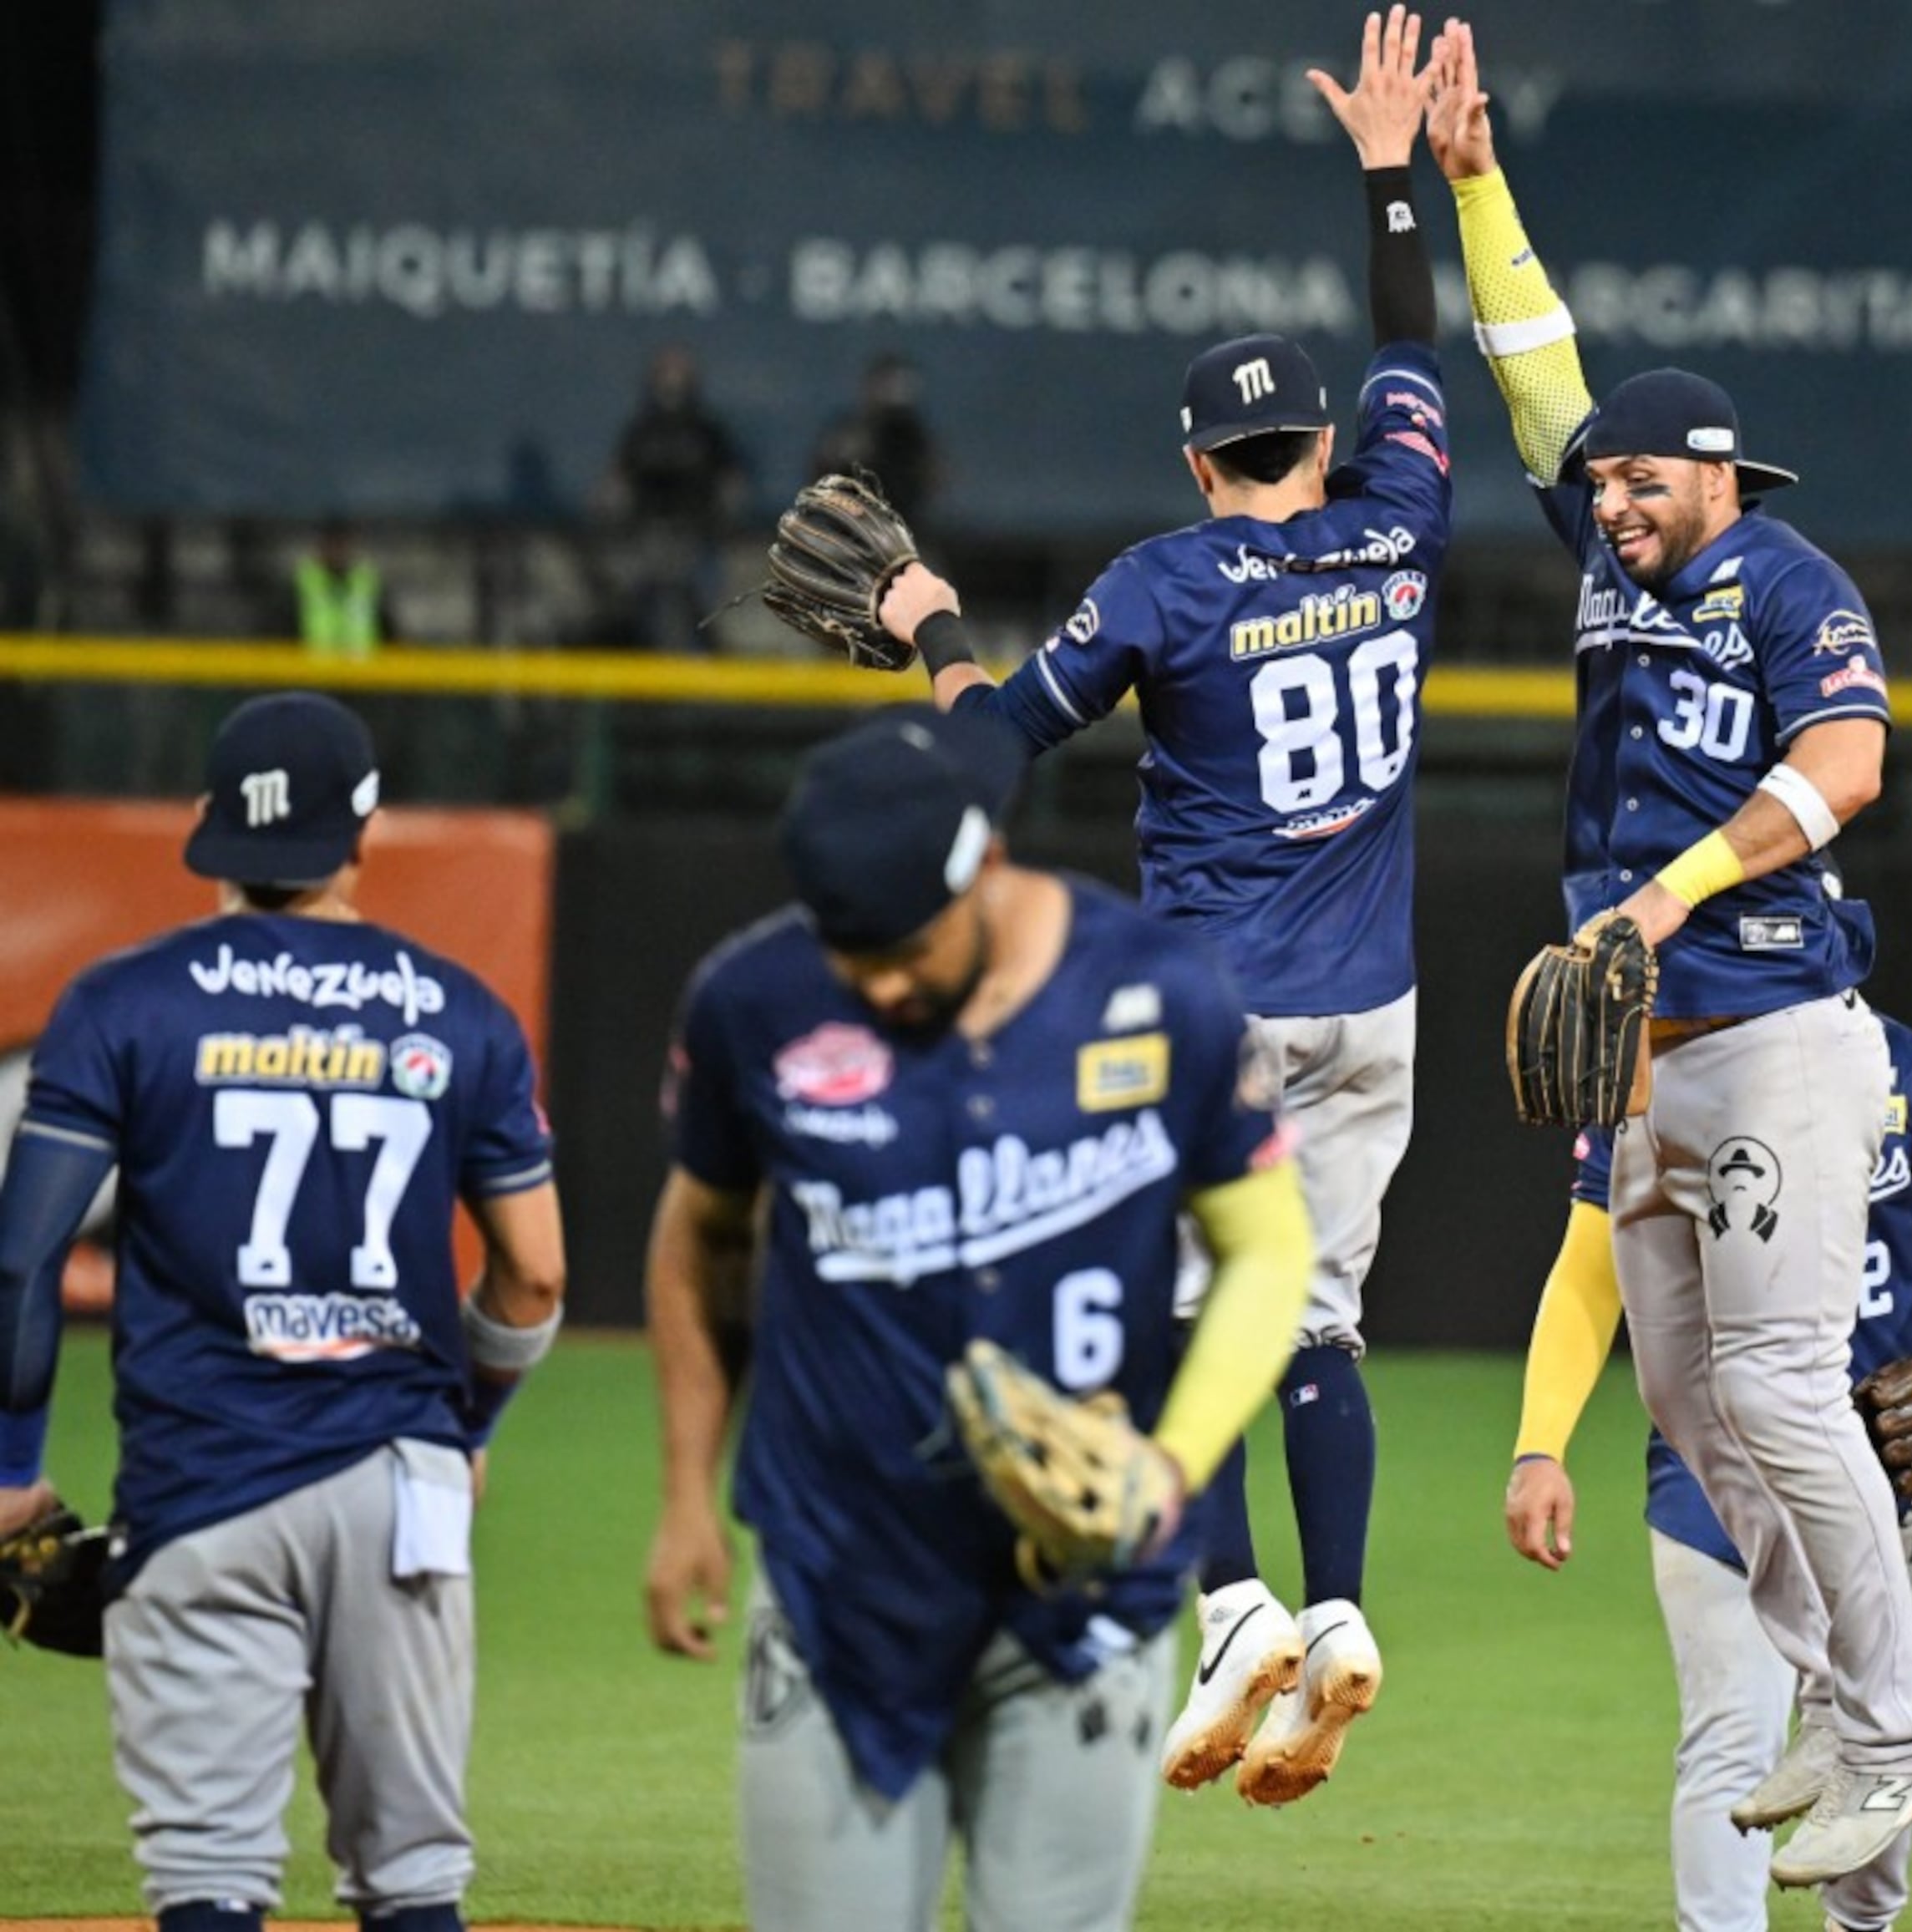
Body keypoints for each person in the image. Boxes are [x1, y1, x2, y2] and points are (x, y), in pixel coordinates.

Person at [873, 5, 1452, 1807]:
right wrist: (1386, 177)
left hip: (1216, 1008)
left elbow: (995, 764)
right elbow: (1411, 342)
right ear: (1318, 444)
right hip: (1376, 1010)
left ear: (1203, 461)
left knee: (1135, 1308)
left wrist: (927, 636)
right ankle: (1337, 1610)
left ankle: (1227, 1607)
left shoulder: (1164, 578)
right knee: (1315, 1322)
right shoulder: (1402, 522)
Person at [1423, 18, 1912, 1884]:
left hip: (1768, 1030)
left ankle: (1902, 1724)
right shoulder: (1604, 555)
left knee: (1781, 1382)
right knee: (1683, 1398)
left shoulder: (1790, 587)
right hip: (1649, 1059)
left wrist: (1658, 899)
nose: (1606, 496)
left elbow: (1846, 763)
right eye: (1597, 483)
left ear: (1714, 474)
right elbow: (1530, 370)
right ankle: (1834, 1699)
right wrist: (1472, 182)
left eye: (1636, 479)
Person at [641, 706, 1313, 1932]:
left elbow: (1265, 1247)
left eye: (905, 947)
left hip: (1084, 1586)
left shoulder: (1159, 992)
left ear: (985, 867)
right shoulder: (757, 1000)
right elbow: (701, 1240)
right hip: (841, 1577)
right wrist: (689, 1489)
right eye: (852, 954)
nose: (879, 980)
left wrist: (1172, 1471)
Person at [0, 692, 565, 1932]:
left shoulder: (122, 1004)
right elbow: (533, 1275)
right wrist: (463, 1435)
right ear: (363, 831)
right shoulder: (463, 1013)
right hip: (401, 1489)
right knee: (413, 1879)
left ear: (211, 828)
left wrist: (10, 1471)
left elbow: (22, 1260)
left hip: (200, 1483)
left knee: (209, 1877)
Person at [1505, 1011, 1912, 1932]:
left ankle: (1861, 1924)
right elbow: (1589, 1269)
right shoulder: (1656, 1079)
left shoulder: (1903, 1071)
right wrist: (1539, 1443)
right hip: (1710, 1471)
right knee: (1729, 1745)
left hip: (1874, 1468)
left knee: (1881, 1755)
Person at [595, 343, 750, 650]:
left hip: (696, 539)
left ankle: (702, 675)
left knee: (702, 614)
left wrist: (722, 521)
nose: (672, 382)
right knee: (638, 611)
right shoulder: (642, 431)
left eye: (679, 373)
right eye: (666, 373)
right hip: (647, 538)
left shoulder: (707, 431)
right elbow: (615, 485)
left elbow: (733, 485)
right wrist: (613, 511)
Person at [809, 352, 943, 531]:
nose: (893, 393)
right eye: (887, 385)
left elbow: (934, 479)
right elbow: (822, 471)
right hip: (853, 527)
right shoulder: (853, 428)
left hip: (906, 528)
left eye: (900, 386)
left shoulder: (915, 437)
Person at [289, 519, 398, 657]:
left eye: (341, 544)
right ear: (321, 547)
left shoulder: (367, 581)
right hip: (313, 670)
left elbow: (388, 628)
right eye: (332, 544)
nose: (337, 551)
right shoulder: (303, 581)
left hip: (362, 670)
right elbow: (284, 627)